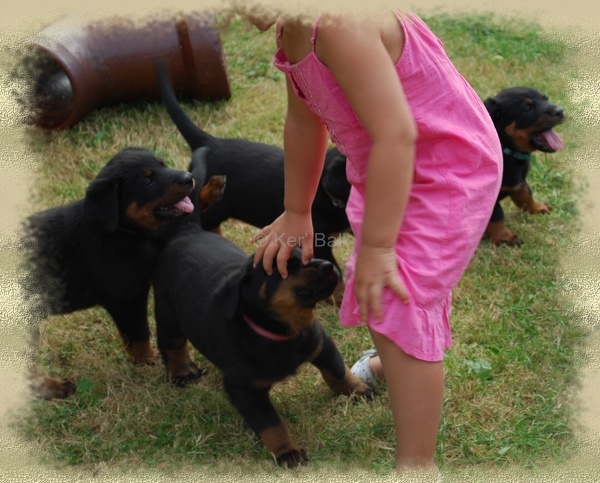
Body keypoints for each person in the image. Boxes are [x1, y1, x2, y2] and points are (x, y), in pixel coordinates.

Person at [244, 5, 502, 476]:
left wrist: (381, 246)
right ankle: (393, 366)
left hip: (443, 168)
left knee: (398, 294)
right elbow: (304, 120)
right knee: (376, 290)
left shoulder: (342, 24)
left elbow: (396, 133)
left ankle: (417, 467)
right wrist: (298, 210)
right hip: (385, 167)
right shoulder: (295, 26)